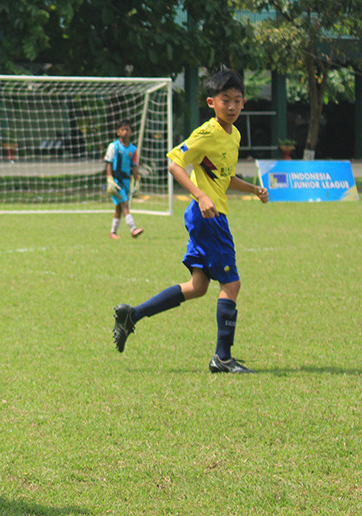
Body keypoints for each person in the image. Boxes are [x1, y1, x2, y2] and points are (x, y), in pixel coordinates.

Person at [112, 69, 268, 373]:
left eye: (238, 100)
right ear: (212, 102)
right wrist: (200, 195)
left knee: (197, 286)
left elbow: (224, 176)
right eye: (226, 100)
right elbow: (175, 164)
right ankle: (222, 358)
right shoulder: (207, 132)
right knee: (231, 284)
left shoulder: (233, 135)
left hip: (207, 215)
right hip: (208, 216)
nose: (232, 106)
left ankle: (132, 315)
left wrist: (253, 189)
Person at [104, 119, 144, 239]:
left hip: (126, 181)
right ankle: (133, 229)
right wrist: (109, 179)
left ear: (131, 132)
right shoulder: (113, 146)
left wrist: (137, 181)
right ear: (118, 132)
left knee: (119, 208)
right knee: (125, 204)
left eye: (127, 129)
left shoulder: (133, 149)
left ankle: (113, 232)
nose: (125, 132)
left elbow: (134, 166)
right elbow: (109, 164)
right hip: (116, 181)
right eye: (123, 130)